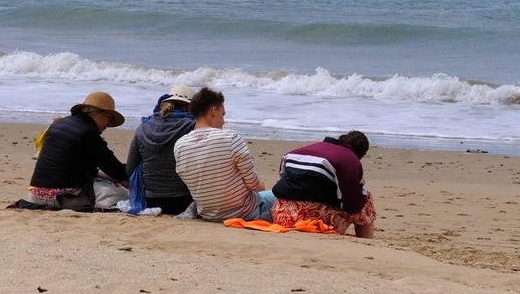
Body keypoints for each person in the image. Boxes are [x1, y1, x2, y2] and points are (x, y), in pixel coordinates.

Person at [173, 87, 274, 222]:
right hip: (246, 212)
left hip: (209, 215)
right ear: (213, 111)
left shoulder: (179, 145)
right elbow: (254, 185)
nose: (223, 121)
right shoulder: (231, 138)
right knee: (285, 197)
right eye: (223, 114)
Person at [26, 91, 129, 211]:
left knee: (106, 181)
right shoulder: (88, 133)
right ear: (95, 113)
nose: (108, 124)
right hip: (61, 198)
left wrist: (113, 177)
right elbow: (115, 169)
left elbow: (85, 169)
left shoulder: (58, 124)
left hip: (35, 195)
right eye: (109, 117)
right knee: (120, 194)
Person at [271, 130, 376, 238]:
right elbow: (352, 205)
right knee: (365, 198)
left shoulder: (294, 152)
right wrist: (360, 187)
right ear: (360, 153)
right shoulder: (350, 159)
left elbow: (284, 179)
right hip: (314, 221)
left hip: (281, 215)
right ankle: (367, 239)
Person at [126, 85, 197, 214]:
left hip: (149, 200)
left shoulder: (143, 127)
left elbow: (130, 168)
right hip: (183, 201)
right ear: (191, 107)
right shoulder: (193, 127)